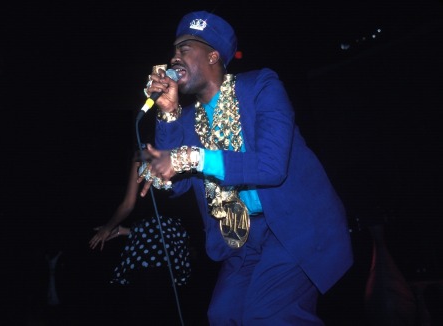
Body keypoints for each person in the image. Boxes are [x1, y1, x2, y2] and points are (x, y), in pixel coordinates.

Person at [138, 10, 354, 325]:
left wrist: (193, 157)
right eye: (173, 51)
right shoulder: (186, 118)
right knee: (224, 315)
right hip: (241, 236)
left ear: (213, 56)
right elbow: (179, 185)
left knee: (268, 315)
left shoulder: (260, 87)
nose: (174, 58)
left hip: (292, 224)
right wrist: (168, 113)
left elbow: (271, 166)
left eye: (184, 49)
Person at [89, 151, 192, 325]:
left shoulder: (143, 154)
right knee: (160, 306)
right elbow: (159, 221)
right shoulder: (179, 151)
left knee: (147, 307)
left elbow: (128, 205)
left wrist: (108, 228)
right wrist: (124, 231)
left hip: (156, 244)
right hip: (167, 239)